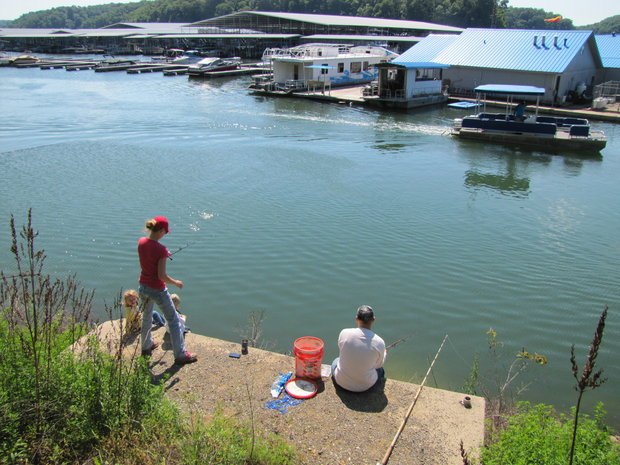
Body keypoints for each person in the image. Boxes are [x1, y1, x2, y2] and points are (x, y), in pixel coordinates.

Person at [138, 216, 197, 365]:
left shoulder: (141, 242)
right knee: (174, 321)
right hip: (157, 290)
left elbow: (150, 259)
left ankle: (146, 347)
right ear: (162, 230)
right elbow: (161, 276)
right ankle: (180, 354)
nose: (165, 234)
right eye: (165, 232)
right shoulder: (161, 249)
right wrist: (175, 282)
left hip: (143, 286)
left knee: (146, 318)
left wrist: (163, 255)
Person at [331, 305, 386, 392]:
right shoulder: (379, 342)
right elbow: (378, 365)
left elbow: (342, 350)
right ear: (373, 319)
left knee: (335, 361)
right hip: (365, 387)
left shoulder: (344, 333)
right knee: (381, 370)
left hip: (341, 382)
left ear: (356, 318)